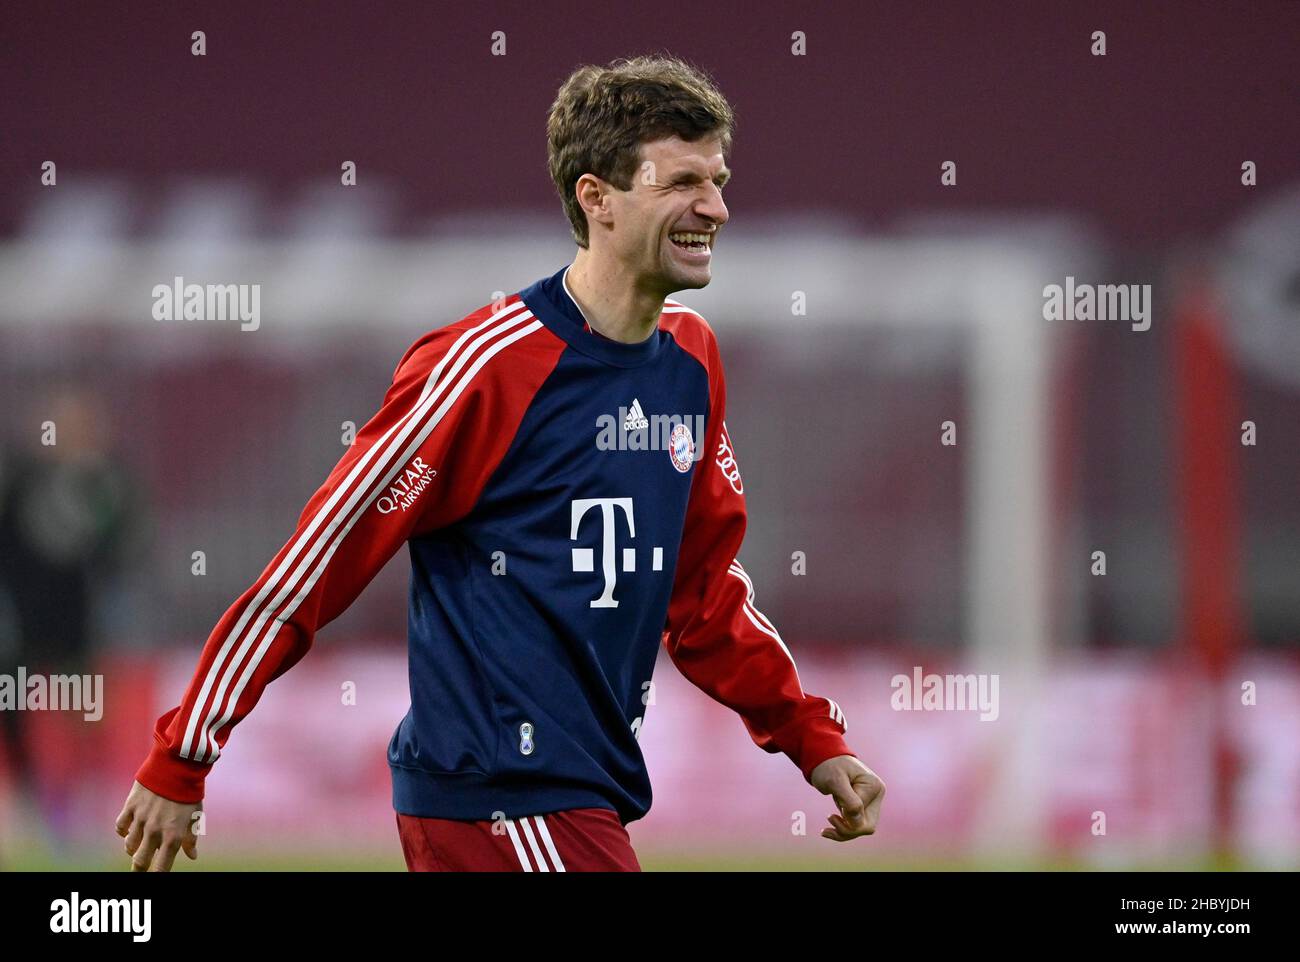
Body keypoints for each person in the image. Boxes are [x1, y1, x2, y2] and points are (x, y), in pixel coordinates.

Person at [116, 53, 884, 872]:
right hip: (500, 790)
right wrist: (185, 749)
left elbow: (701, 596)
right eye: (682, 182)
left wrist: (807, 733)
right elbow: (320, 559)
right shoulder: (484, 367)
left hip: (572, 791)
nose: (716, 207)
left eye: (719, 179)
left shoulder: (690, 362)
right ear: (598, 199)